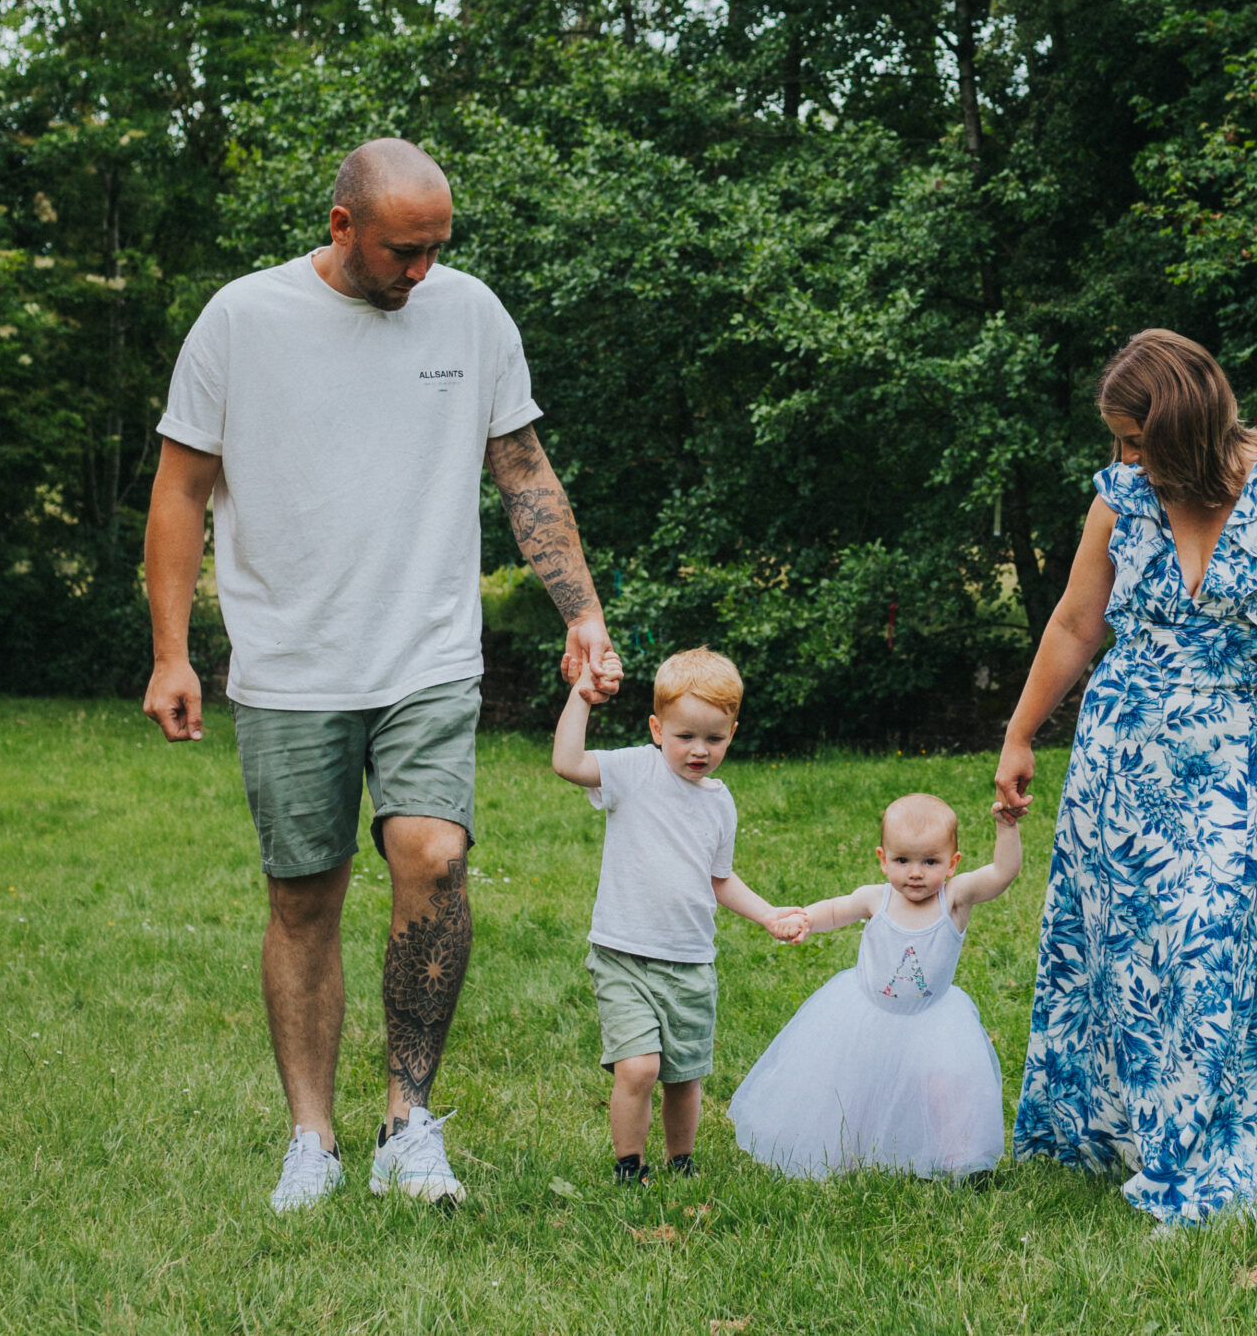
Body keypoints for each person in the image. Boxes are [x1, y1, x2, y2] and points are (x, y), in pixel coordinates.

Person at [142, 137, 622, 1214]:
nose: (421, 273)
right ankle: (310, 1136)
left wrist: (582, 612)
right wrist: (173, 651)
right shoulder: (241, 320)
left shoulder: (469, 313)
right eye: (403, 252)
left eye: (436, 249)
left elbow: (523, 469)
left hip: (427, 651)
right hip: (291, 664)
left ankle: (409, 1118)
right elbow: (180, 491)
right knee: (304, 896)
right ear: (340, 226)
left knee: (435, 856)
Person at [993, 328, 1257, 1225]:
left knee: (1207, 946)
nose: (1122, 457)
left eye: (1136, 440)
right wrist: (1021, 732)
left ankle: (1206, 1158)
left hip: (1241, 758)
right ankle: (1114, 1132)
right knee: (1117, 955)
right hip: (1122, 755)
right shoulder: (1119, 498)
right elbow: (1077, 625)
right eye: (1118, 440)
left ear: (1185, 428)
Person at [550, 645, 801, 1185]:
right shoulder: (634, 770)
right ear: (657, 727)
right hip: (623, 954)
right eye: (685, 736)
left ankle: (680, 1161)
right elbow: (568, 763)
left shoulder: (719, 802)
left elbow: (720, 878)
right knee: (639, 1067)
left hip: (689, 963)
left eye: (714, 738)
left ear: (732, 734)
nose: (699, 750)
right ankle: (628, 1166)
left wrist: (768, 915)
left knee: (684, 1076)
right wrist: (582, 698)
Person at [729, 793, 1023, 1180]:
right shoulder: (875, 898)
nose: (915, 873)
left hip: (933, 1020)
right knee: (857, 1084)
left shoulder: (954, 899)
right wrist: (803, 920)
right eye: (903, 861)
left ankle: (958, 1159)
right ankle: (846, 1151)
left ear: (952, 864)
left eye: (930, 862)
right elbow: (834, 910)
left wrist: (1007, 827)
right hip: (867, 1014)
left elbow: (1003, 874)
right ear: (883, 859)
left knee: (943, 1086)